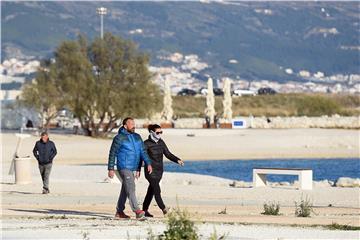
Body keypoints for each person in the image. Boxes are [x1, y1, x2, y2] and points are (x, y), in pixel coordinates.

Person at [108, 117, 153, 220]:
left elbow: (143, 152)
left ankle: (119, 212)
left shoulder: (137, 137)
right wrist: (110, 168)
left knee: (125, 188)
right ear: (125, 126)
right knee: (131, 186)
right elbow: (112, 153)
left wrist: (148, 163)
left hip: (133, 167)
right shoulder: (119, 138)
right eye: (131, 123)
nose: (134, 125)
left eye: (134, 123)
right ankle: (137, 210)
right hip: (123, 166)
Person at [137, 124, 184, 217]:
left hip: (159, 171)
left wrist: (177, 160)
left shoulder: (161, 142)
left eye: (161, 132)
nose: (159, 134)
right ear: (152, 132)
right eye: (157, 132)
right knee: (157, 190)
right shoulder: (146, 144)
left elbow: (168, 154)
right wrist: (138, 169)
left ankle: (144, 210)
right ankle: (164, 209)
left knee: (151, 191)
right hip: (150, 171)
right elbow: (140, 157)